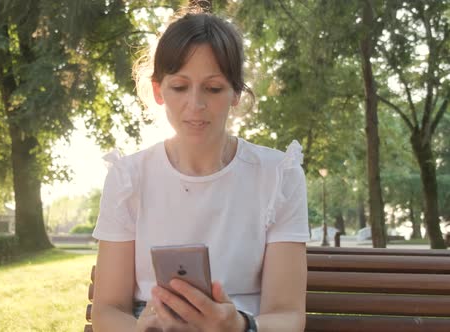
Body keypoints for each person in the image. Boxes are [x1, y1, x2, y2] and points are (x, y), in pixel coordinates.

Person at [91, 9, 309, 332]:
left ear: (236, 93)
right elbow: (108, 311)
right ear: (158, 90)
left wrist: (239, 326)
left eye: (214, 88)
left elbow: (288, 315)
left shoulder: (278, 176)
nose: (195, 104)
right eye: (180, 87)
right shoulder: (129, 179)